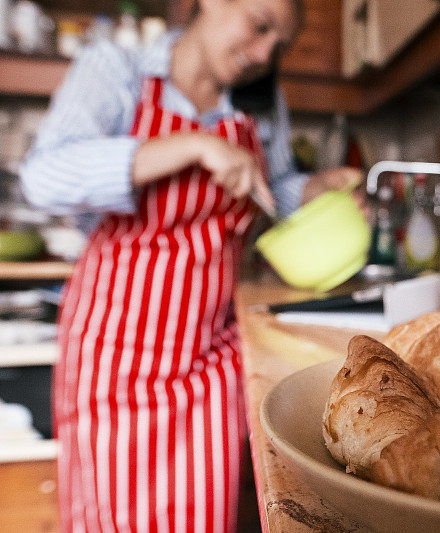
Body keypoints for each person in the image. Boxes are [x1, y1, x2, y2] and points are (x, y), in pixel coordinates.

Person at [20, 0, 360, 530]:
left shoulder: (259, 103)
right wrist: (192, 146)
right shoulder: (117, 69)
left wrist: (314, 191)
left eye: (280, 45)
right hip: (117, 357)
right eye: (260, 26)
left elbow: (268, 191)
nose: (265, 53)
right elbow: (43, 177)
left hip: (206, 353)